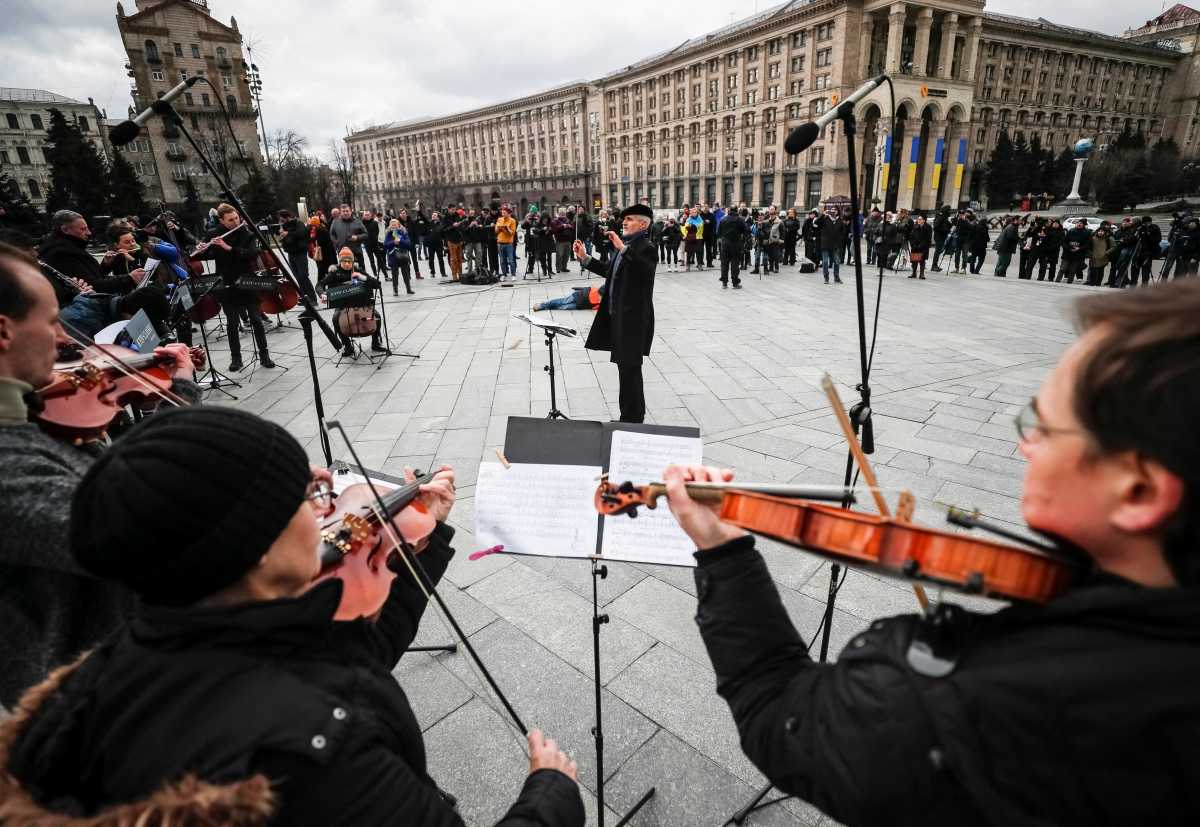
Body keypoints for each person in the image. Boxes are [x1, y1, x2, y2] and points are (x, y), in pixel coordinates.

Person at [660, 279, 1200, 827]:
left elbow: (777, 710)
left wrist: (721, 551)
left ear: (1139, 491)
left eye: (1044, 425)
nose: (1023, 444)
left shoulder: (961, 708)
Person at [0, 405, 586, 826]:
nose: (328, 509)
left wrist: (412, 540)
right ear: (251, 544)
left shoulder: (132, 654)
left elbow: (342, 656)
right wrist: (551, 796)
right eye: (305, 501)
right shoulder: (317, 754)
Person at [0, 241, 199, 710]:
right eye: (51, 323)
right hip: (82, 714)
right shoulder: (11, 463)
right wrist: (182, 398)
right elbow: (134, 523)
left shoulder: (31, 418)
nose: (68, 340)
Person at [573, 204, 656, 423]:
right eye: (624, 219)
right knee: (624, 370)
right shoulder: (626, 246)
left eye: (629, 219)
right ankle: (628, 416)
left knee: (630, 371)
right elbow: (609, 270)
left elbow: (644, 271)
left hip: (633, 321)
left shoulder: (646, 247)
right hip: (619, 319)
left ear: (643, 224)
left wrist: (623, 249)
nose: (624, 223)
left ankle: (633, 418)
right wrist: (585, 258)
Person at [196, 204, 275, 371]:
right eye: (230, 220)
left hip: (247, 281)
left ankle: (264, 355)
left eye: (236, 218)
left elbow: (253, 254)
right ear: (222, 220)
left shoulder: (247, 234)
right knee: (232, 323)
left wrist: (229, 248)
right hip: (226, 283)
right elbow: (207, 255)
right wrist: (201, 250)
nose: (235, 222)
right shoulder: (213, 234)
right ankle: (236, 359)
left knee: (256, 320)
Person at [320, 247, 388, 356]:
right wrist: (322, 294)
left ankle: (376, 343)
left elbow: (377, 284)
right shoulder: (334, 272)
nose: (347, 264)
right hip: (343, 307)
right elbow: (320, 285)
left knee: (377, 316)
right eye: (344, 261)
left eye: (349, 262)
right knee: (335, 319)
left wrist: (363, 278)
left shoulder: (358, 270)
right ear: (340, 261)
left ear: (352, 261)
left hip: (362, 305)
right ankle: (347, 346)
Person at [279, 210, 317, 302]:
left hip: (300, 253)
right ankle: (304, 297)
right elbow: (282, 238)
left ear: (287, 217)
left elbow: (302, 233)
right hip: (291, 253)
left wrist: (288, 233)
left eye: (282, 220)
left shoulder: (298, 223)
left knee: (303, 276)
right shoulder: (285, 226)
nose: (281, 222)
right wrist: (281, 236)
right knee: (297, 277)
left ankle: (312, 298)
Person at [329, 205, 368, 272]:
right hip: (342, 252)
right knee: (345, 274)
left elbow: (365, 234)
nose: (345, 213)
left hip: (356, 252)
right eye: (343, 211)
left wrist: (357, 237)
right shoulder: (335, 222)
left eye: (347, 211)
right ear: (340, 212)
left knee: (360, 272)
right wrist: (337, 242)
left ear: (350, 211)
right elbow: (332, 234)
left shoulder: (357, 221)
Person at [717, 207, 748, 289]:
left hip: (725, 244)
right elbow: (746, 231)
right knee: (735, 264)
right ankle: (735, 283)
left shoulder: (723, 219)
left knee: (724, 264)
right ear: (737, 211)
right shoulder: (740, 220)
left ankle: (724, 283)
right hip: (736, 244)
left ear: (729, 211)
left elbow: (718, 232)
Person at [383, 219, 415, 295]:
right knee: (394, 274)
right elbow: (385, 245)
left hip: (403, 256)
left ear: (398, 225)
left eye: (395, 224)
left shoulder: (403, 232)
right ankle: (395, 290)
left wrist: (400, 241)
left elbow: (409, 244)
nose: (394, 226)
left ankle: (408, 288)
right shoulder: (388, 234)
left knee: (406, 273)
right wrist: (393, 242)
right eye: (392, 225)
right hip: (393, 256)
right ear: (390, 226)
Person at [532, 282, 604, 312]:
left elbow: (594, 308)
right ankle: (542, 305)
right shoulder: (595, 291)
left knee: (563, 307)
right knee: (563, 301)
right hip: (577, 296)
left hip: (579, 305)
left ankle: (546, 307)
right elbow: (587, 289)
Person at [1060, 219, 1091, 285]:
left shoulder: (1087, 232)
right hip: (1068, 253)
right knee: (1064, 267)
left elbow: (1087, 243)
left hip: (1079, 253)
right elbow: (1064, 241)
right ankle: (1062, 278)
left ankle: (1076, 278)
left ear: (1084, 225)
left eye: (1081, 223)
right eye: (1078, 223)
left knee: (1075, 267)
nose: (1079, 224)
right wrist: (1069, 248)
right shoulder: (1071, 231)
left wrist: (1079, 248)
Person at [817, 209, 844, 284]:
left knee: (837, 261)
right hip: (825, 244)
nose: (833, 211)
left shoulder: (839, 220)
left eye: (835, 210)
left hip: (836, 245)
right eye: (831, 210)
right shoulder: (825, 219)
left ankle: (836, 277)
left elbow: (843, 231)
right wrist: (822, 215)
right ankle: (826, 277)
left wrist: (840, 239)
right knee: (825, 262)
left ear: (837, 211)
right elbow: (817, 223)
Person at [495, 206, 518, 282]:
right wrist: (498, 228)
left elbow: (512, 233)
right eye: (502, 212)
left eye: (504, 213)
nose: (503, 214)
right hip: (500, 243)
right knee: (502, 260)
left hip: (508, 244)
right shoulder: (499, 219)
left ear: (508, 213)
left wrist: (507, 229)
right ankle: (504, 275)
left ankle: (513, 275)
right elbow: (496, 231)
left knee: (511, 260)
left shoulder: (512, 221)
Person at [361, 209, 385, 278]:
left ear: (370, 215)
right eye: (366, 215)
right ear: (363, 216)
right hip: (367, 245)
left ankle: (385, 275)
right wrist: (365, 241)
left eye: (368, 214)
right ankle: (375, 274)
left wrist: (375, 239)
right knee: (371, 260)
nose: (367, 216)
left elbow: (377, 231)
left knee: (380, 259)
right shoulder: (361, 223)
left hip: (375, 244)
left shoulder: (374, 222)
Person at [908, 213, 932, 280]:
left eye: (920, 219)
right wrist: (913, 244)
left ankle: (922, 274)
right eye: (918, 219)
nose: (918, 220)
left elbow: (927, 238)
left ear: (924, 220)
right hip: (915, 246)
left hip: (923, 247)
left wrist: (921, 245)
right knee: (914, 260)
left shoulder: (928, 227)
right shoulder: (915, 226)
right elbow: (911, 236)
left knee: (922, 260)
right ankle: (914, 273)